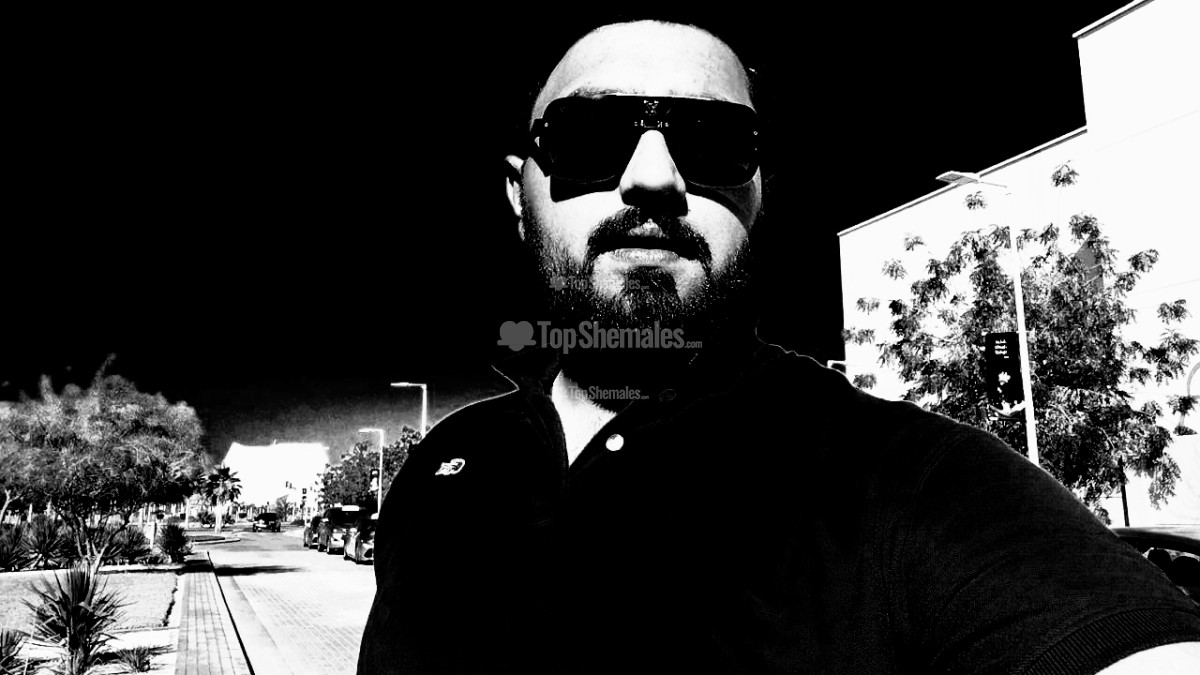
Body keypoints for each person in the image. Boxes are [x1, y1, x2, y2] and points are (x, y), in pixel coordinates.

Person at [358, 19, 1200, 674]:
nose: (654, 176)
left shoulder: (905, 481)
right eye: (590, 135)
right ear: (519, 192)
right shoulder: (447, 463)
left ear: (758, 195)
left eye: (712, 141)